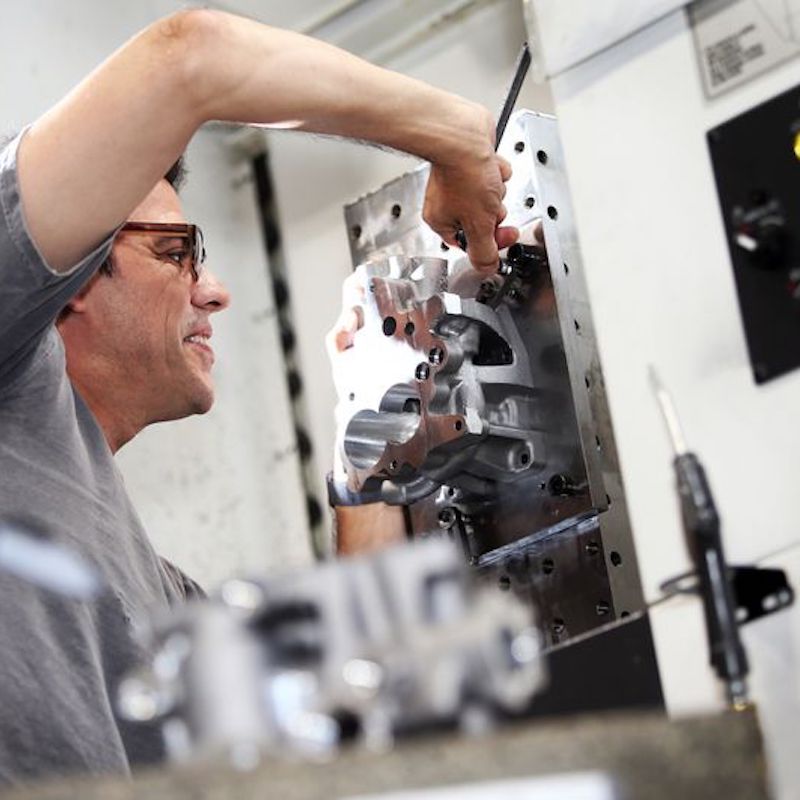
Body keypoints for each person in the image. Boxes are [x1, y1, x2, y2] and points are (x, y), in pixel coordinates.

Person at [0, 9, 517, 785]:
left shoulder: (150, 586)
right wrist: (453, 133)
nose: (214, 290)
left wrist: (368, 447)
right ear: (71, 283)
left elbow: (339, 710)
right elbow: (190, 58)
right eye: (178, 252)